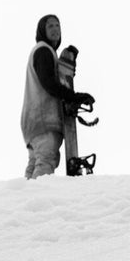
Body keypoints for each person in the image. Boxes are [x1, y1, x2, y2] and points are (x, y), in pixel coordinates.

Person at [20, 14, 95, 179]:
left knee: (34, 165)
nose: (55, 29)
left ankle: (25, 199)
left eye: (57, 25)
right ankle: (38, 202)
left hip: (33, 122)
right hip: (43, 119)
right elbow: (49, 83)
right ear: (42, 31)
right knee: (46, 162)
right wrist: (73, 96)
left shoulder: (44, 52)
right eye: (50, 26)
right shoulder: (43, 51)